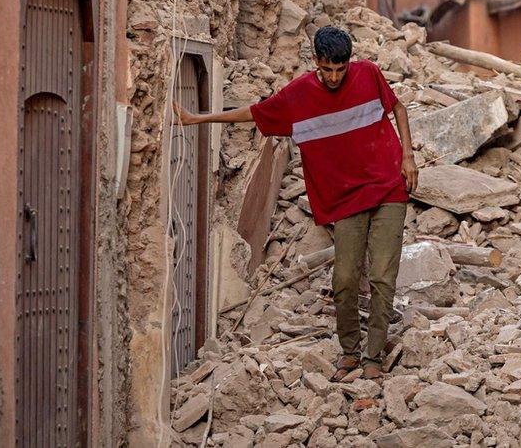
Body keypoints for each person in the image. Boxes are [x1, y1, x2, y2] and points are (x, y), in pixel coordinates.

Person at [174, 26, 418, 381]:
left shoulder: (368, 73)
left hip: (389, 189)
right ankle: (350, 351)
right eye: (327, 69)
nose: (334, 77)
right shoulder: (298, 95)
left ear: (350, 62)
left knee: (383, 276)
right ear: (316, 62)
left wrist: (408, 156)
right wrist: (199, 120)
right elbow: (254, 113)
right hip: (346, 198)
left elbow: (398, 107)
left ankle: (373, 358)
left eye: (340, 69)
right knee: (345, 279)